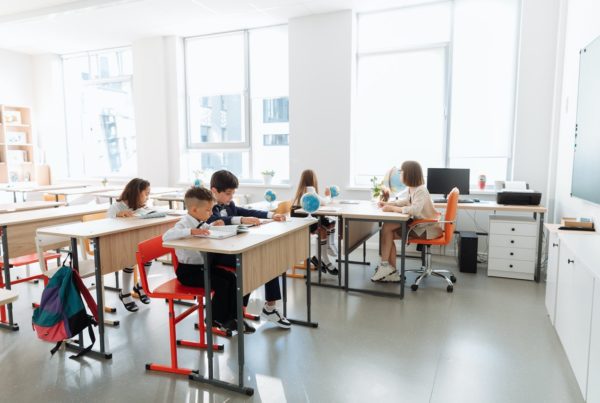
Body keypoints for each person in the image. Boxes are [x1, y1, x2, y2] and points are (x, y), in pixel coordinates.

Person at [207, 170, 291, 329]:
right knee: (252, 262)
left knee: (267, 259)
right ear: (214, 191)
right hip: (218, 254)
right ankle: (237, 312)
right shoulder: (208, 206)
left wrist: (270, 215)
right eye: (228, 193)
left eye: (233, 193)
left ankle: (269, 307)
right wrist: (241, 220)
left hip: (234, 247)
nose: (231, 197)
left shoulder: (229, 204)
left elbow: (245, 211)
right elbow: (217, 220)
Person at [162, 186, 251, 333]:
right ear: (195, 210)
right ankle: (215, 318)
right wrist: (190, 231)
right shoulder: (184, 223)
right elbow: (166, 236)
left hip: (203, 268)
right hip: (188, 273)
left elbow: (204, 231)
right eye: (208, 210)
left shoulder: (201, 221)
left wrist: (212, 226)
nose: (211, 213)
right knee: (221, 284)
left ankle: (235, 318)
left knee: (232, 278)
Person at [371, 161, 442, 282]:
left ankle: (387, 268)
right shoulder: (412, 189)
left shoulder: (421, 190)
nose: (400, 175)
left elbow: (414, 210)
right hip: (419, 225)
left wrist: (392, 208)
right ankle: (390, 270)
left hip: (425, 229)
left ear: (409, 174)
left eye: (402, 172)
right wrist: (388, 203)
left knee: (387, 230)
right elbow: (405, 202)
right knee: (387, 230)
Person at [107, 178, 154, 312]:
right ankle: (125, 293)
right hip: (116, 245)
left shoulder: (139, 206)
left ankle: (140, 286)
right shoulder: (117, 206)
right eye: (146, 193)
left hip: (133, 242)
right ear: (136, 192)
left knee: (148, 254)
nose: (148, 197)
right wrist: (118, 215)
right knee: (129, 258)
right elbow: (107, 222)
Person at [291, 169, 339, 275]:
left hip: (301, 219)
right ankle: (323, 258)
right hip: (303, 222)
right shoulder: (310, 190)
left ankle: (319, 257)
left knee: (329, 222)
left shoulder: (301, 190)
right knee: (323, 228)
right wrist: (328, 195)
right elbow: (323, 202)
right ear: (313, 180)